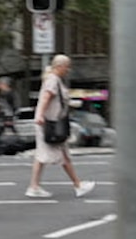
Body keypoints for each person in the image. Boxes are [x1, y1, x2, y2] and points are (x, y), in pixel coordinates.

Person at [26, 54, 96, 198]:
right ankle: (77, 185)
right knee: (56, 156)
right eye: (67, 66)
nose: (68, 70)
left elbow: (53, 101)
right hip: (50, 124)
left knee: (49, 156)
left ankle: (35, 187)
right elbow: (45, 98)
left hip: (52, 123)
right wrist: (39, 115)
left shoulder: (54, 79)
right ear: (59, 66)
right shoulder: (53, 80)